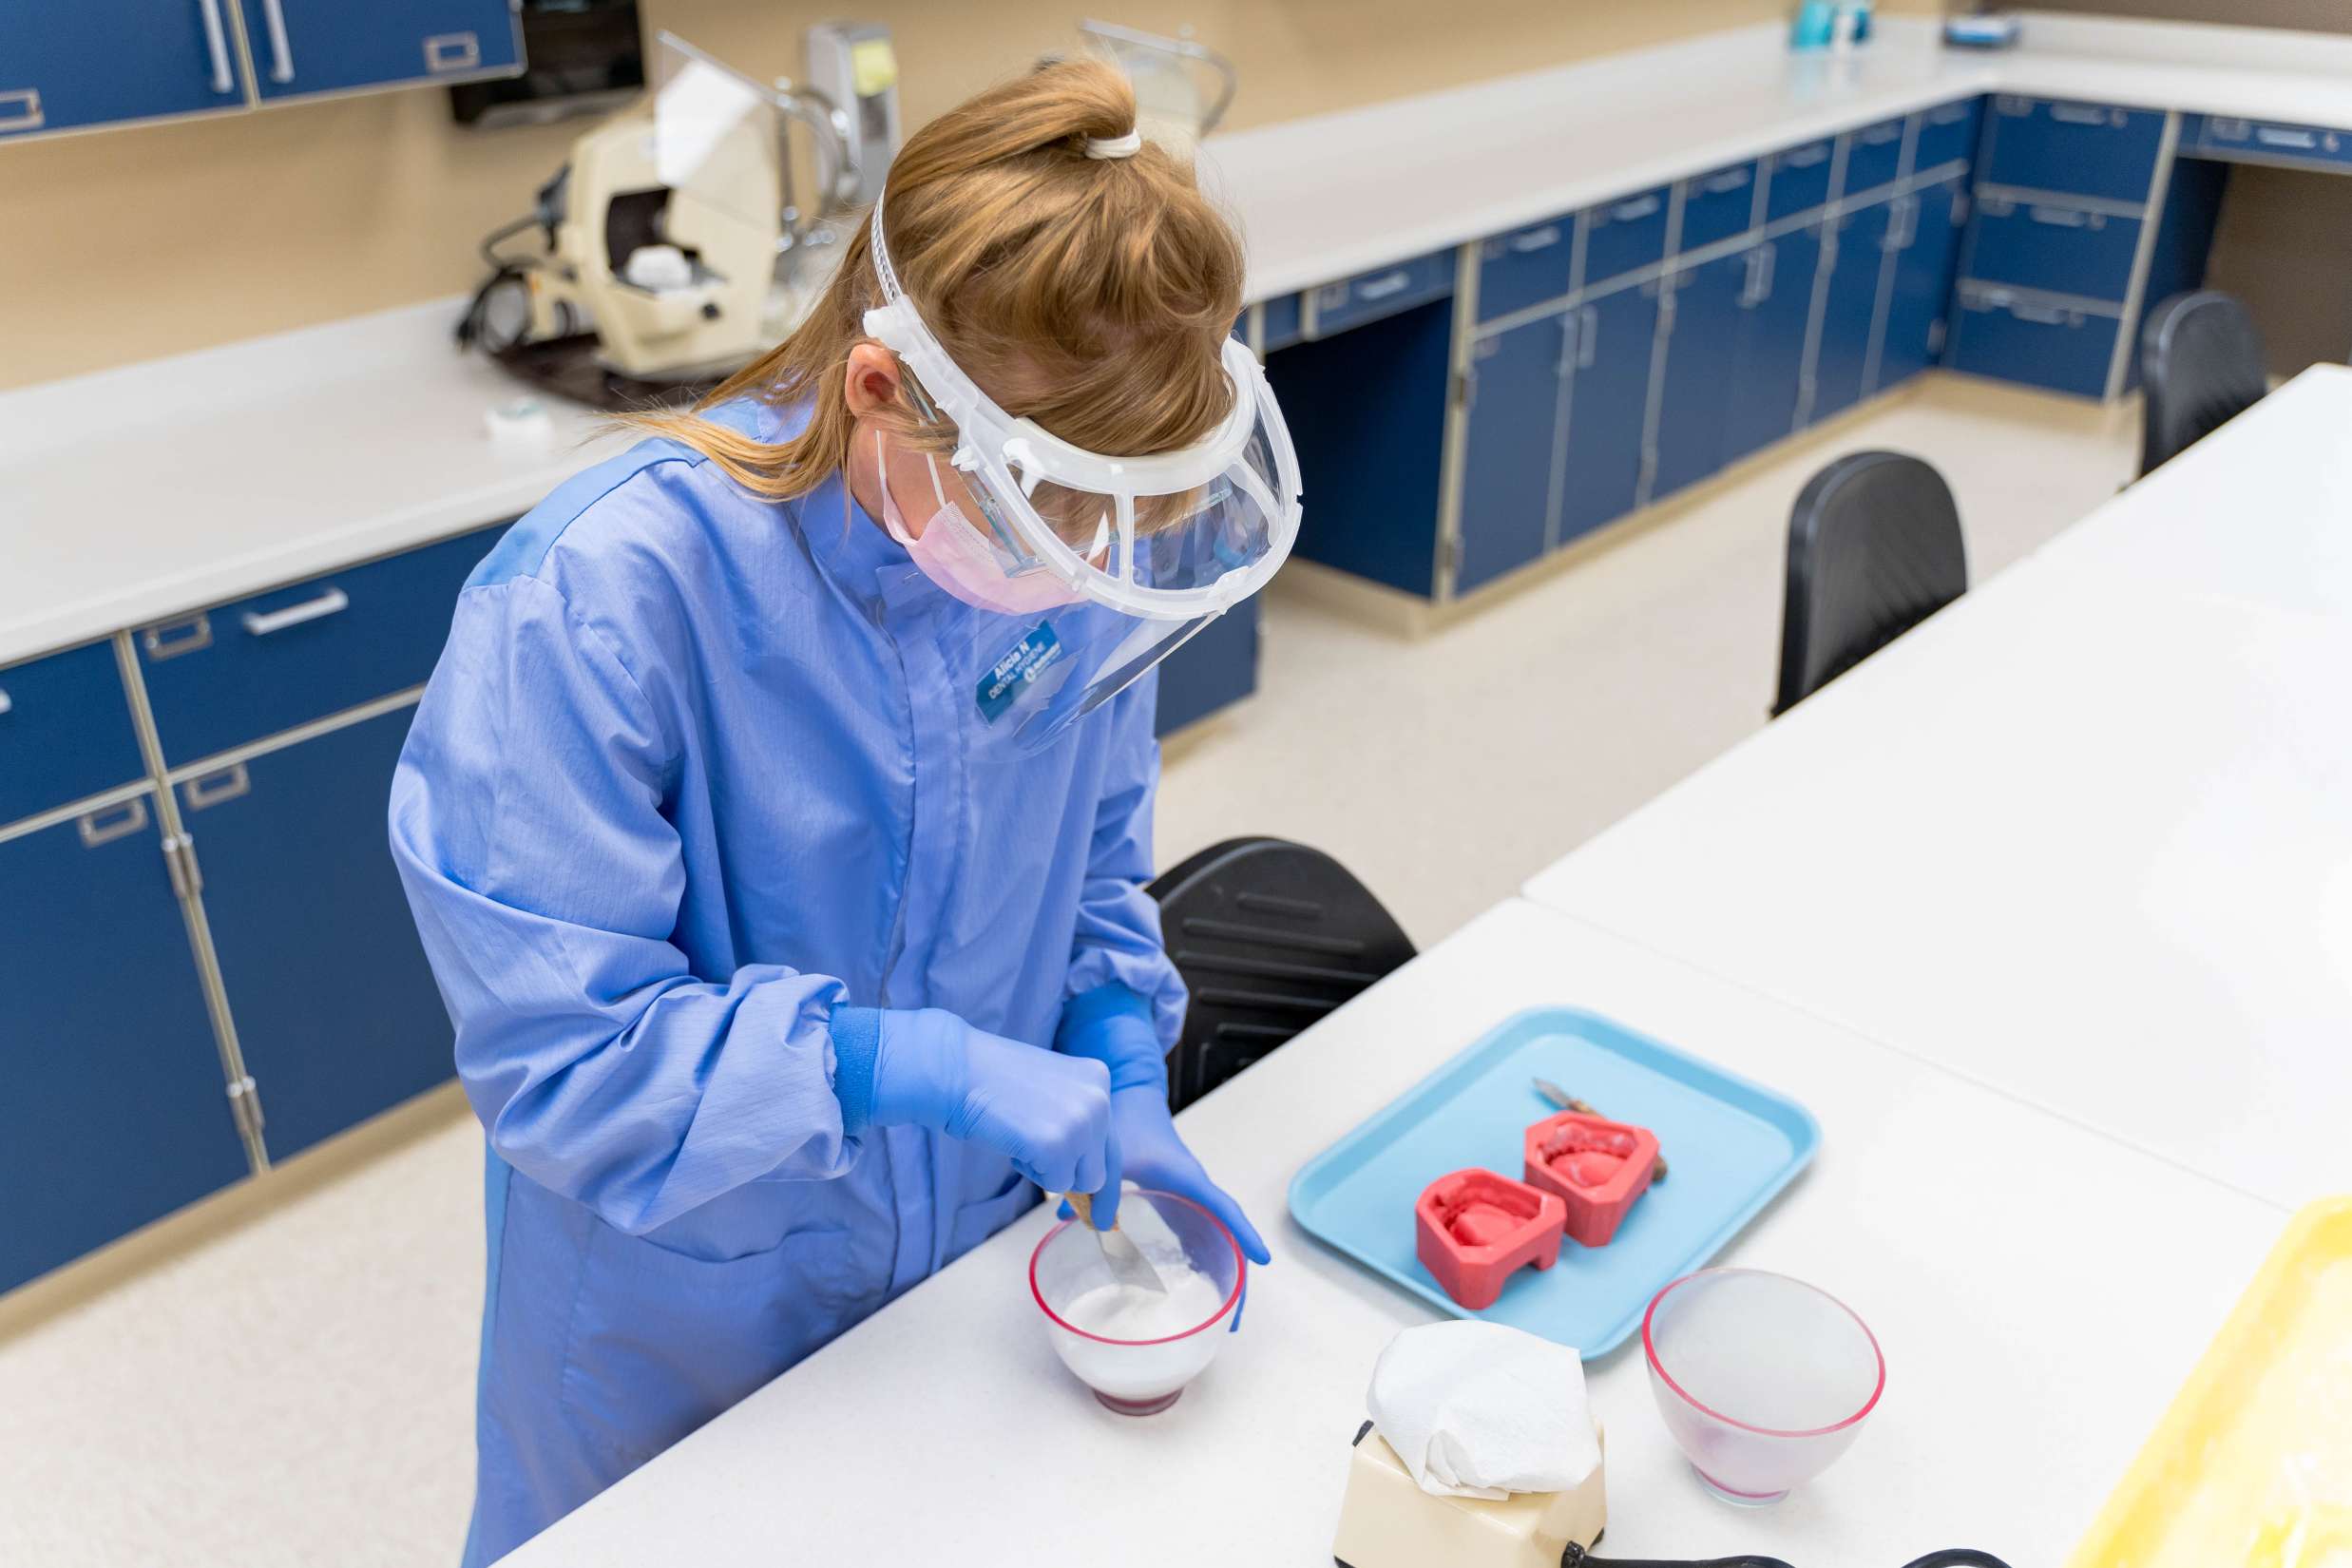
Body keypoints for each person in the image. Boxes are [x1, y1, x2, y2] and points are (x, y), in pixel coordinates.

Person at [389, 54, 1299, 1566]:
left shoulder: (1068, 556)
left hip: (956, 1289)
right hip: (687, 1332)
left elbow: (1088, 874)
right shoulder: (601, 604)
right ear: (880, 389)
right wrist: (914, 1063)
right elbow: (568, 1059)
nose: (1082, 552)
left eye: (1112, 513)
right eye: (1049, 504)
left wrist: (1120, 1039)